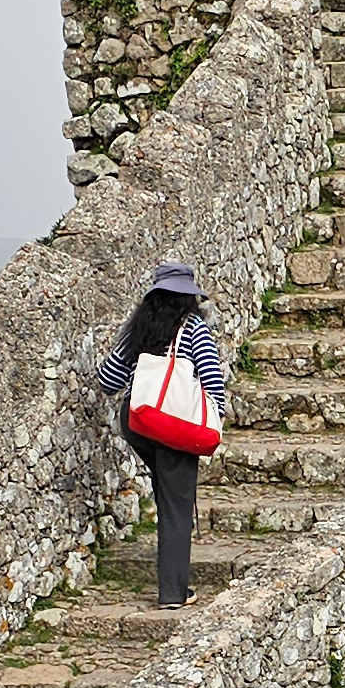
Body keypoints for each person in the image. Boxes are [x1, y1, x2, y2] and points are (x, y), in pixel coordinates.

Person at [101, 260, 227, 607]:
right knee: (176, 506)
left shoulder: (140, 328)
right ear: (189, 297)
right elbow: (212, 379)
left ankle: (173, 581)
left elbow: (108, 380)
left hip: (139, 423)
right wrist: (214, 420)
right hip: (175, 424)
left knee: (167, 492)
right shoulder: (194, 329)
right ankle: (173, 592)